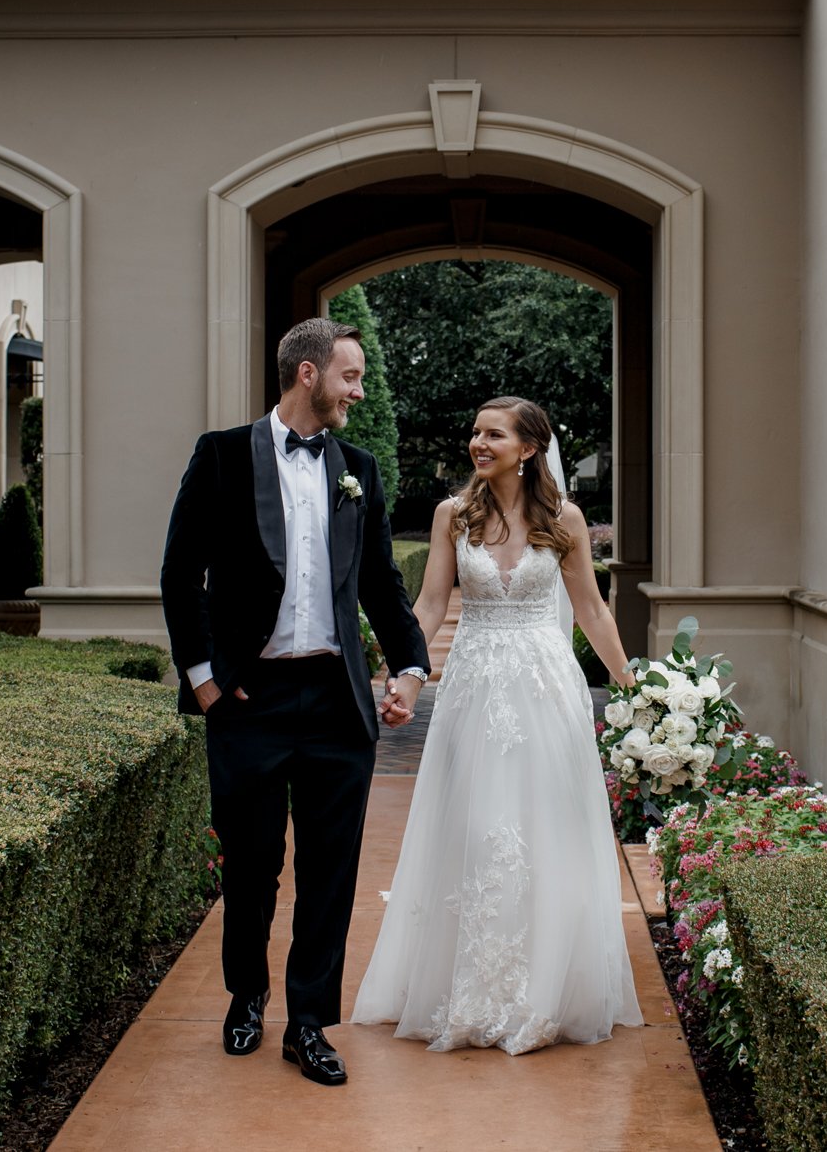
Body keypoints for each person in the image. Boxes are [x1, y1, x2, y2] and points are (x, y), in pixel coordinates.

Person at [160, 317, 429, 1087]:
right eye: (351, 376)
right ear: (307, 374)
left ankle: (308, 1021)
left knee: (331, 871)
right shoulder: (220, 455)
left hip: (337, 701)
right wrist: (206, 681)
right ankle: (248, 994)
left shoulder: (359, 469)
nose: (359, 391)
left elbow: (380, 580)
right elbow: (181, 573)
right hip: (250, 697)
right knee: (251, 865)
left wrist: (409, 663)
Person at [351, 395, 645, 1054]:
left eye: (494, 433)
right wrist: (402, 676)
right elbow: (427, 604)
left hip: (546, 693)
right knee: (478, 828)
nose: (478, 443)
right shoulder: (453, 516)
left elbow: (592, 612)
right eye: (475, 431)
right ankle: (473, 987)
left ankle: (544, 991)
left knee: (545, 830)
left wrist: (634, 688)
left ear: (530, 446)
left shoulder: (562, 517)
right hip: (475, 692)